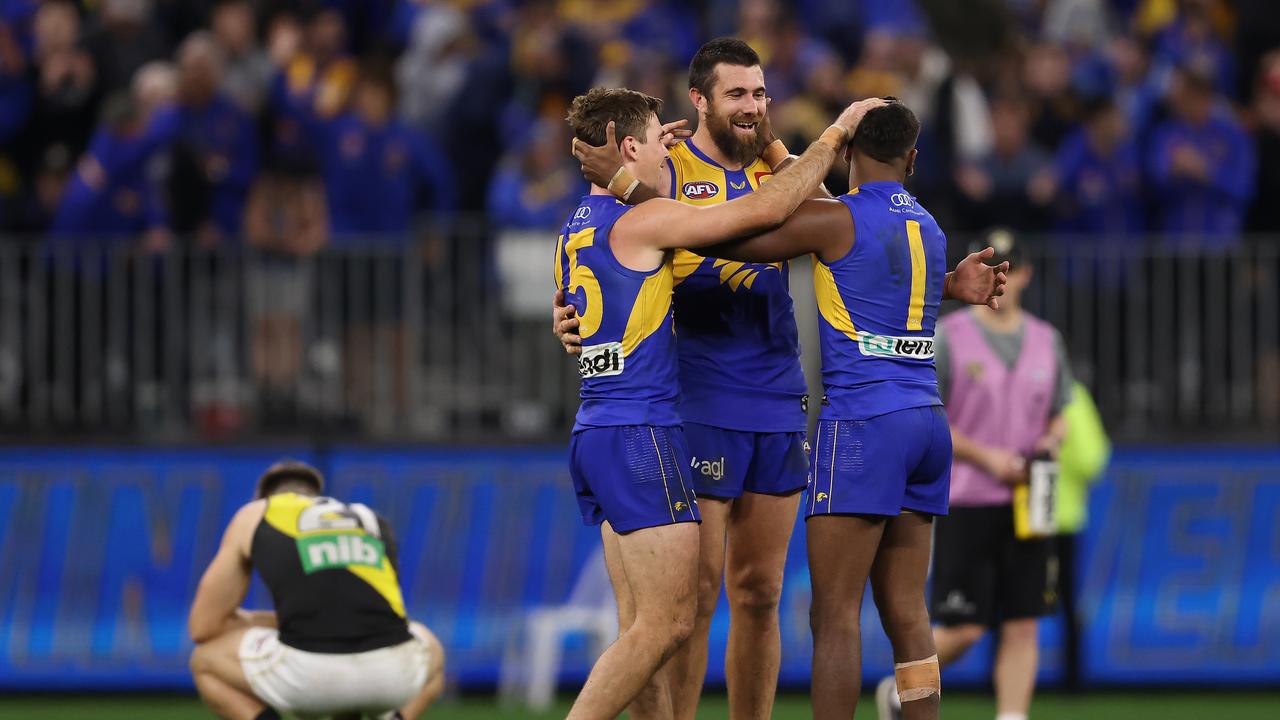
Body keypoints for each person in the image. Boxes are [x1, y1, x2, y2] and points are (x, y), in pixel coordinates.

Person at [573, 97, 1008, 720]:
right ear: (912, 159)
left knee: (834, 615)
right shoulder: (930, 230)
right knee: (910, 618)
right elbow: (875, 273)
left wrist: (634, 193)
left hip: (863, 425)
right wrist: (951, 286)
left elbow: (739, 240)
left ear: (851, 154)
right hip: (927, 423)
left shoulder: (838, 218)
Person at [555, 85, 885, 720]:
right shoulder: (644, 219)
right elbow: (761, 213)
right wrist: (834, 136)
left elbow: (581, 312)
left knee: (643, 625)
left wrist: (645, 163)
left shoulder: (576, 227)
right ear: (628, 148)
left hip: (595, 426)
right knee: (670, 622)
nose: (669, 149)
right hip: (643, 430)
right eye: (656, 141)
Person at [876, 229, 1073, 720]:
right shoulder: (950, 337)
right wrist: (988, 458)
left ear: (1024, 274)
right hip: (968, 496)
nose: (998, 278)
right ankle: (900, 691)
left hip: (1031, 500)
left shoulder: (1048, 342)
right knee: (965, 625)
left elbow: (1061, 410)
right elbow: (934, 413)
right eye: (990, 267)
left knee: (1025, 620)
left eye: (1007, 268)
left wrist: (1052, 438)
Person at [188, 460, 444, 720]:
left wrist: (256, 620)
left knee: (205, 659)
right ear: (316, 497)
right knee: (432, 647)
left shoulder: (257, 513)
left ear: (262, 498)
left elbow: (203, 626)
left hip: (307, 678)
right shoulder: (370, 519)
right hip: (392, 677)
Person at [1055, 381, 1110, 691]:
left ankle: (999, 683)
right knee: (1067, 600)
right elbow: (1092, 459)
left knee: (1012, 604)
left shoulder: (1008, 381)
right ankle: (1072, 681)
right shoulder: (1072, 395)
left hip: (1016, 514)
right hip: (1063, 515)